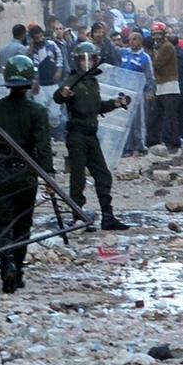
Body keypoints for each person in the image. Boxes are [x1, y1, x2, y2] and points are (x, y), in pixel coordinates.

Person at [0, 55, 53, 293]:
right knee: (23, 222)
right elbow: (44, 148)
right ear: (29, 82)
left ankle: (7, 266)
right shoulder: (37, 111)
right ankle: (19, 270)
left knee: (2, 222)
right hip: (26, 171)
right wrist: (49, 178)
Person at [53, 42, 130, 231]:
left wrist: (116, 103)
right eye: (83, 59)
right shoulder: (73, 80)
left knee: (103, 175)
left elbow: (98, 107)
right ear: (77, 61)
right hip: (77, 135)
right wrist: (63, 94)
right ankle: (78, 214)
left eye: (91, 59)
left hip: (91, 135)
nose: (87, 63)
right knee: (77, 178)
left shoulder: (92, 82)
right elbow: (59, 96)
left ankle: (108, 216)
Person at [147, 22, 182, 152]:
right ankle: (154, 140)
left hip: (169, 85)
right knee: (157, 114)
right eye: (154, 34)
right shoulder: (160, 47)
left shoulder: (166, 47)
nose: (156, 37)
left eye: (158, 34)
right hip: (162, 84)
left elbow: (157, 64)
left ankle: (173, 142)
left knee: (169, 115)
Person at [120, 32, 155, 156]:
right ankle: (127, 147)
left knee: (138, 121)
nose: (131, 42)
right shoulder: (124, 53)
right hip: (124, 91)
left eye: (134, 39)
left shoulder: (145, 57)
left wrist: (149, 91)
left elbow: (150, 77)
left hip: (138, 93)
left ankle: (140, 146)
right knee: (125, 120)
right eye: (130, 39)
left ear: (140, 41)